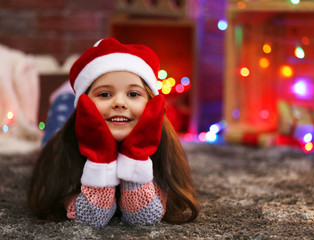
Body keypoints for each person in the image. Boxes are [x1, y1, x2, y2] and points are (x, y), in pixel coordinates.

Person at [27, 38, 199, 227]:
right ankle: (64, 97)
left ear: (151, 103)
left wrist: (137, 155)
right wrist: (100, 157)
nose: (119, 102)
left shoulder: (163, 150)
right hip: (64, 130)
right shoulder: (63, 152)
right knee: (57, 123)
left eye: (133, 94)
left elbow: (144, 218)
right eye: (105, 94)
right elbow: (91, 218)